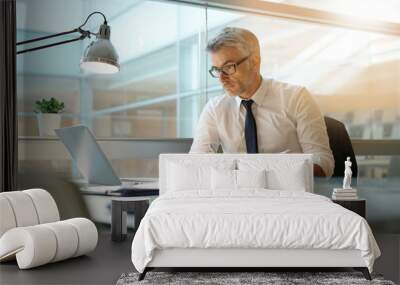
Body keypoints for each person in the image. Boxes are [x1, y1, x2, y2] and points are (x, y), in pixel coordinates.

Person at [190, 27, 334, 177]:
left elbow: (323, 162)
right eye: (217, 69)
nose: (221, 78)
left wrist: (277, 170)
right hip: (238, 195)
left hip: (289, 194)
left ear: (254, 62)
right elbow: (195, 162)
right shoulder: (215, 108)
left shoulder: (297, 97)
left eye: (228, 67)